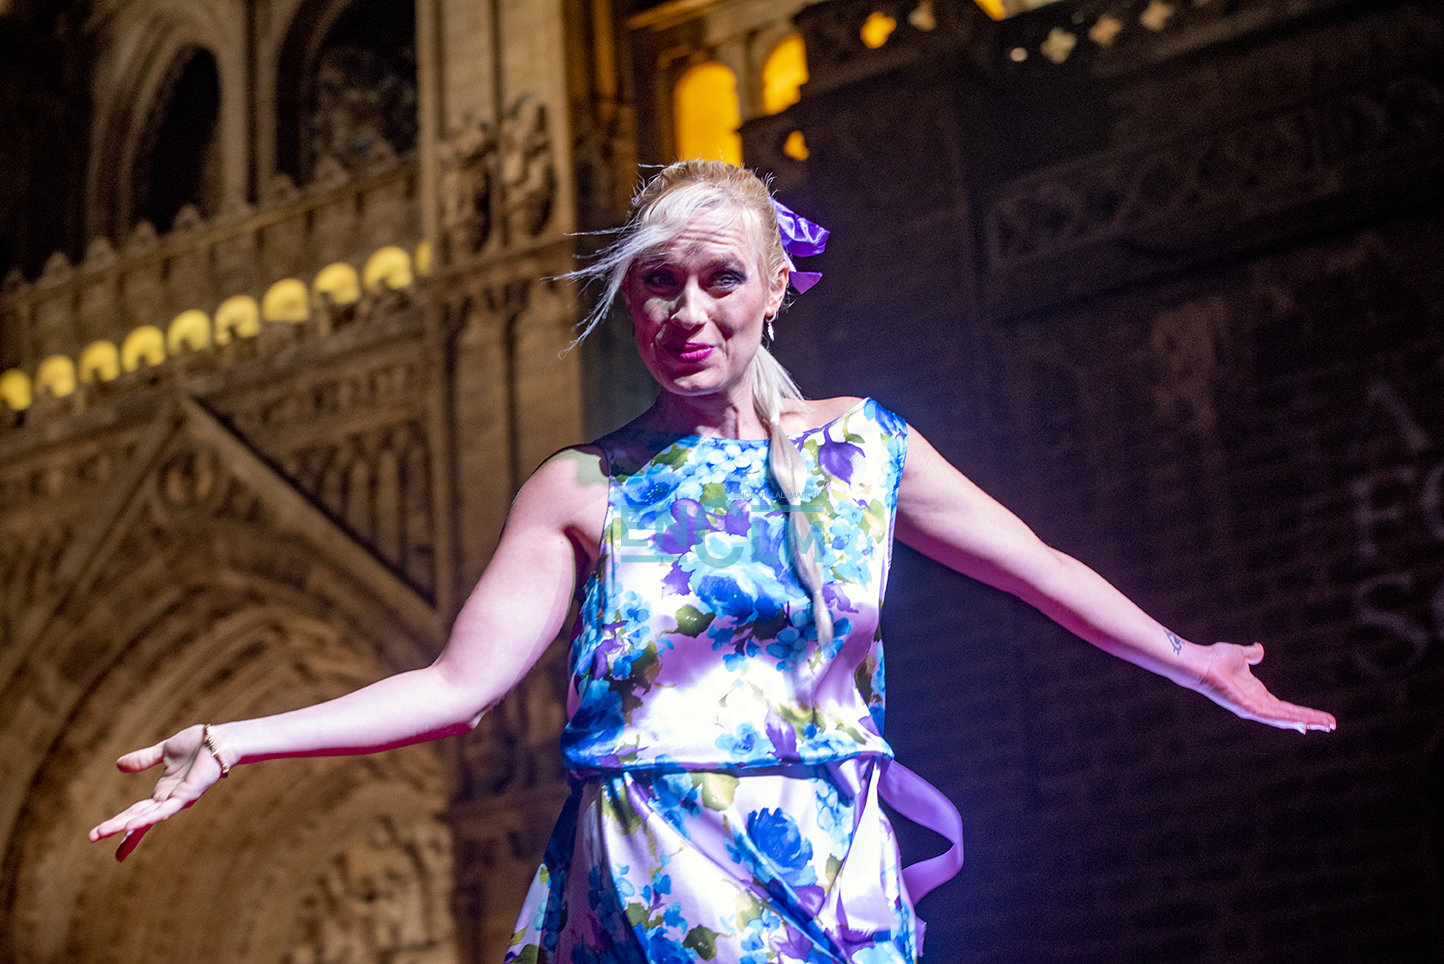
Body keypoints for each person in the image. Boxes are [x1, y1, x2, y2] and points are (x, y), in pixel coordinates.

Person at [91, 160, 1335, 963]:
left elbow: (1037, 567)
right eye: (657, 286)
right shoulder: (583, 487)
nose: (687, 312)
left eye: (719, 280)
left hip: (833, 852)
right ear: (630, 304)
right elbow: (455, 686)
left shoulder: (863, 449)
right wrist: (238, 740)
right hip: (657, 859)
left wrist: (1191, 661)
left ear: (777, 288)